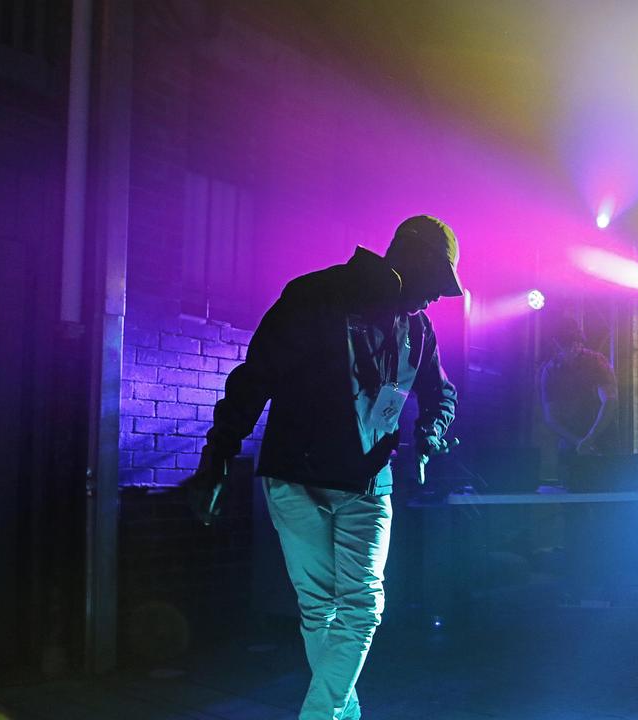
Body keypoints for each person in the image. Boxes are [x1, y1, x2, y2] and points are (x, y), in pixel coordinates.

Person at [187, 215, 461, 720]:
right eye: (437, 283)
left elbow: (439, 392)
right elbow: (257, 376)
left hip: (367, 482)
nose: (438, 299)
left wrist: (430, 435)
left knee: (360, 608)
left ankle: (321, 715)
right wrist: (219, 451)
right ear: (413, 257)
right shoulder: (316, 295)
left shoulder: (418, 330)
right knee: (321, 611)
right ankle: (341, 713)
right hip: (295, 475)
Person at [539, 316, 619, 476]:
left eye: (576, 342)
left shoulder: (596, 362)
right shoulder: (551, 370)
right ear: (557, 344)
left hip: (602, 438)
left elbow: (609, 401)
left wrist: (590, 438)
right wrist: (579, 442)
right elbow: (551, 418)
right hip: (572, 442)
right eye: (567, 343)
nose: (574, 347)